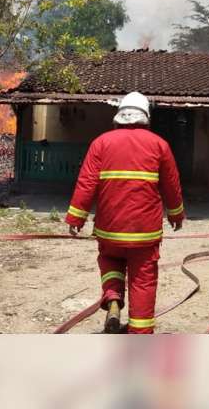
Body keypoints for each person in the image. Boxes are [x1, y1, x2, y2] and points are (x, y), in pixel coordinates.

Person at [65, 92, 184, 334]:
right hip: (144, 233)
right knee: (143, 282)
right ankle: (139, 336)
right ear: (146, 117)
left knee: (110, 260)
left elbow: (87, 183)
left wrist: (76, 218)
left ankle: (113, 298)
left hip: (110, 229)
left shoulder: (101, 143)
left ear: (119, 116)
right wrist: (176, 215)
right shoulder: (160, 145)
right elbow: (171, 185)